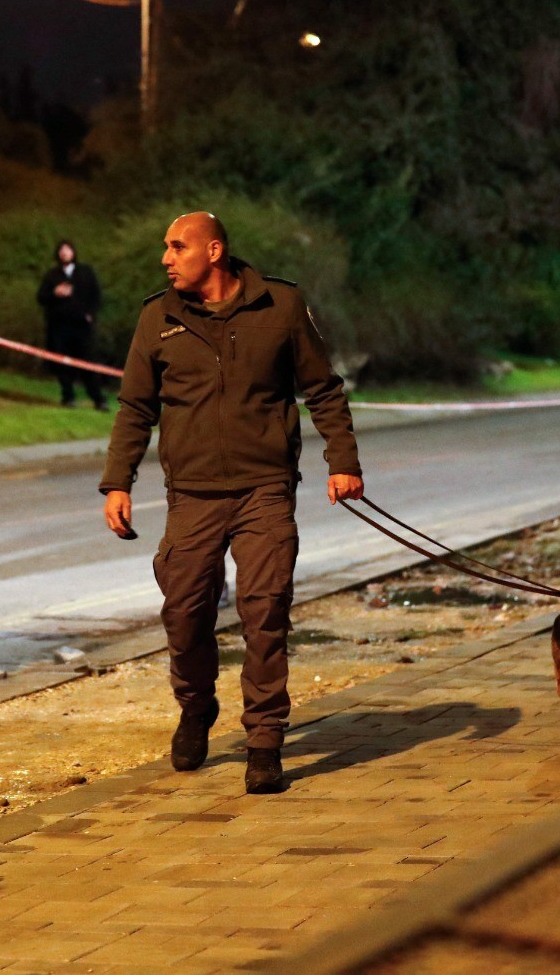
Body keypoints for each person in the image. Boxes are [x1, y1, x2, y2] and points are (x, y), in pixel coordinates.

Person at [100, 211, 363, 795]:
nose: (166, 258)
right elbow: (135, 408)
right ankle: (196, 708)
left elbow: (322, 387)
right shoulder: (158, 317)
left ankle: (265, 741)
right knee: (185, 614)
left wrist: (342, 462)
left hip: (264, 490)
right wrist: (117, 482)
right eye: (165, 248)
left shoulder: (282, 307)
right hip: (191, 495)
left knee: (264, 612)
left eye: (177, 247)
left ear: (213, 251)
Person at [37, 240, 108, 410]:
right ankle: (68, 397)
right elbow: (41, 297)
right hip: (59, 327)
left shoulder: (85, 272)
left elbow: (96, 295)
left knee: (88, 362)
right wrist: (54, 293)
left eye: (67, 250)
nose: (64, 253)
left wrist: (90, 314)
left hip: (82, 326)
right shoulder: (52, 275)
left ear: (73, 252)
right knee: (62, 363)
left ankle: (99, 399)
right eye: (61, 250)